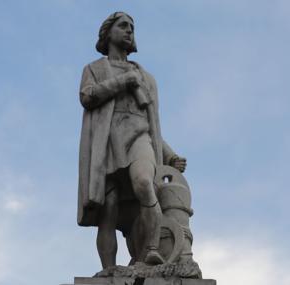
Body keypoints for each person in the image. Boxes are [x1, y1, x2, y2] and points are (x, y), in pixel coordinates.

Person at [77, 12, 187, 269]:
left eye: (132, 27)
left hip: (139, 138)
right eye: (123, 26)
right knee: (109, 208)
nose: (129, 31)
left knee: (143, 183)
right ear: (108, 33)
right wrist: (122, 81)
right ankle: (109, 270)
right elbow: (87, 96)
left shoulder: (146, 77)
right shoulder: (94, 69)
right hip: (107, 142)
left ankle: (150, 249)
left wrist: (168, 155)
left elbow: (152, 125)